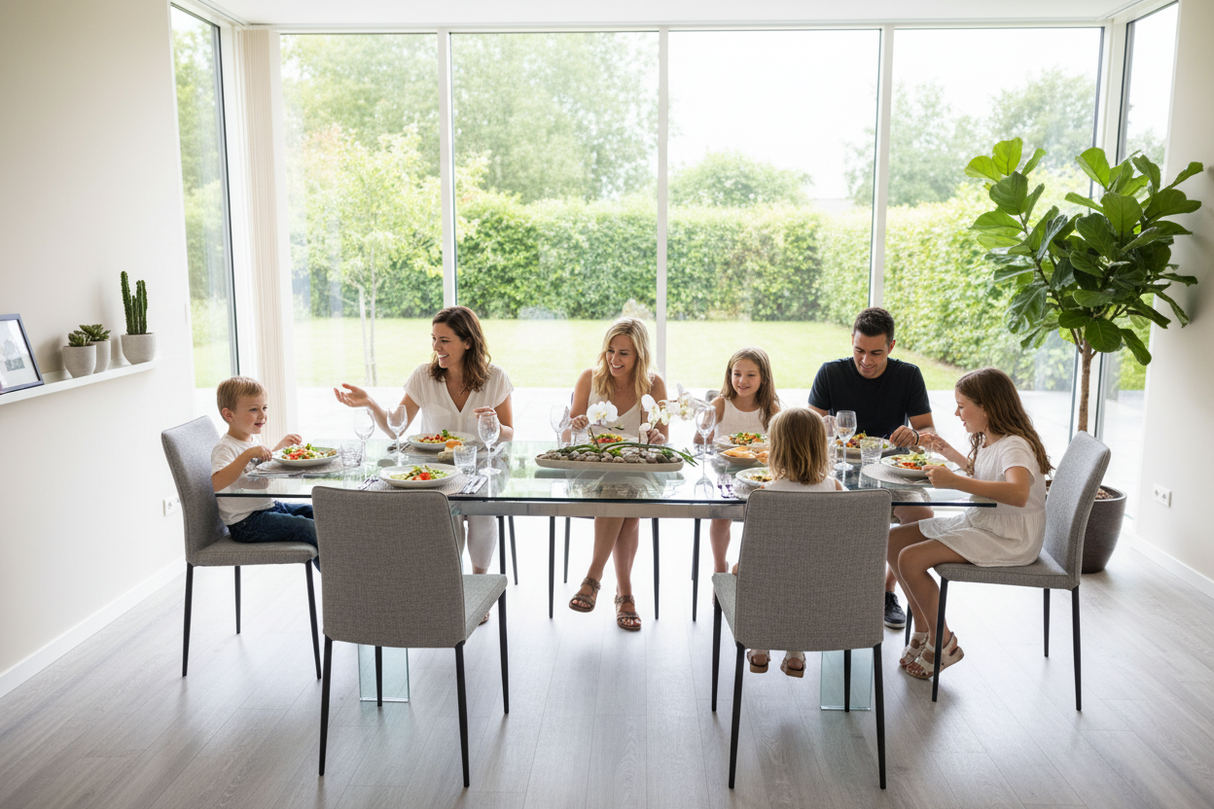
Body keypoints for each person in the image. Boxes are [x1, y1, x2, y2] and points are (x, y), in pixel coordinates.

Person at [333, 306, 513, 600]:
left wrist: (493, 422)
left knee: (482, 515)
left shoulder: (495, 378)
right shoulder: (424, 377)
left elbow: (509, 432)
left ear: (468, 342)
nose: (436, 347)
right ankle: (452, 586)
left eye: (445, 340)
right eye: (433, 338)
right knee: (445, 515)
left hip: (484, 464)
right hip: (437, 471)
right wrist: (369, 403)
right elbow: (395, 428)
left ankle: (479, 588)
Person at [888, 367, 1052, 679]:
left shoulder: (1014, 444)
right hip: (985, 522)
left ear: (987, 407)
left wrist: (955, 481)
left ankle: (943, 642)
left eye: (962, 406)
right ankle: (923, 628)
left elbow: (1017, 493)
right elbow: (983, 473)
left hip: (1009, 537)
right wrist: (946, 451)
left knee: (910, 558)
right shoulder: (989, 438)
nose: (956, 412)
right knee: (893, 541)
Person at [807, 306, 935, 630]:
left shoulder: (908, 376)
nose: (866, 360)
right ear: (851, 340)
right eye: (859, 350)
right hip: (840, 470)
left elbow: (929, 435)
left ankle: (886, 589)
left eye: (876, 353)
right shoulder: (830, 373)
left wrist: (915, 435)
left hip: (894, 469)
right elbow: (808, 428)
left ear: (891, 347)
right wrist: (822, 424)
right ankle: (830, 591)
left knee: (923, 520)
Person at [567, 317, 668, 631]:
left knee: (624, 491)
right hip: (591, 468)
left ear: (639, 355)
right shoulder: (590, 379)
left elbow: (663, 437)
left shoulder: (653, 385)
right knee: (624, 501)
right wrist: (578, 424)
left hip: (637, 469)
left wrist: (657, 438)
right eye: (610, 350)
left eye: (624, 353)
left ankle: (593, 580)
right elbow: (570, 432)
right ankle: (624, 595)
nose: (614, 359)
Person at [737, 407, 845, 678]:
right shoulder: (835, 488)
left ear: (776, 448)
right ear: (821, 446)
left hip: (772, 585)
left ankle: (760, 646)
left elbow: (758, 552)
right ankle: (795, 652)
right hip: (822, 587)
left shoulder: (764, 493)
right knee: (803, 575)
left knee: (745, 569)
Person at [210, 376, 318, 564]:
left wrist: (278, 449)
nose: (262, 415)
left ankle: (342, 576)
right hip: (245, 522)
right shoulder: (225, 447)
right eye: (254, 409)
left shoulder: (251, 439)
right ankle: (339, 585)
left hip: (267, 507)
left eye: (264, 408)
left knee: (319, 512)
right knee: (308, 528)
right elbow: (216, 483)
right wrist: (246, 455)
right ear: (229, 415)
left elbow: (259, 470)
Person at [695, 347, 781, 576]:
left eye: (751, 375)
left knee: (766, 518)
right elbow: (698, 439)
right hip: (726, 471)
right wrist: (707, 435)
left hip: (760, 476)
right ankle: (719, 567)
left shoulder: (771, 408)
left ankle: (747, 568)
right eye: (737, 374)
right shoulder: (721, 404)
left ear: (763, 379)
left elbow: (781, 445)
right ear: (729, 375)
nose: (742, 380)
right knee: (721, 517)